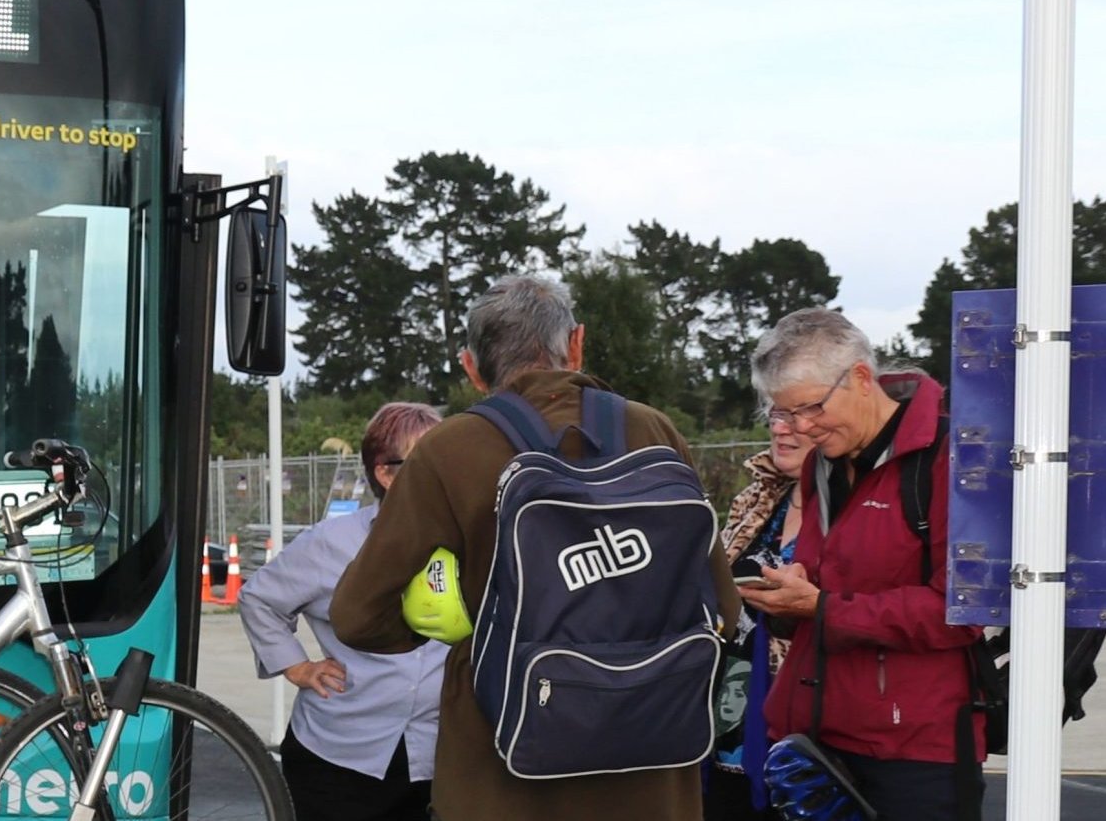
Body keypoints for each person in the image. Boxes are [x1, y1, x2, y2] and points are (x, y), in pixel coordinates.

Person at [331, 274, 740, 821]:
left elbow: (357, 616)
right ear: (576, 344)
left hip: (506, 767)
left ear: (472, 367)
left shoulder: (447, 451)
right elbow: (725, 608)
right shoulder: (654, 431)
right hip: (654, 770)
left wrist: (457, 627)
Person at [737, 308, 984, 820]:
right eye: (782, 415)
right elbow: (821, 586)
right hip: (817, 737)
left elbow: (961, 609)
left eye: (809, 408)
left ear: (862, 379)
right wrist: (787, 598)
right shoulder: (823, 465)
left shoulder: (951, 458)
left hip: (913, 751)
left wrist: (822, 607)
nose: (801, 427)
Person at [238, 402, 448, 821]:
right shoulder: (331, 543)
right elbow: (258, 598)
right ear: (385, 473)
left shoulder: (463, 539)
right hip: (339, 755)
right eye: (427, 464)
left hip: (435, 755)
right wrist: (296, 666)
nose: (444, 476)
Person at [705, 420, 815, 819]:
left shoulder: (850, 509)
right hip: (729, 709)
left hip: (798, 718)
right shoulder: (755, 498)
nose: (782, 428)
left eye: (797, 412)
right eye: (775, 413)